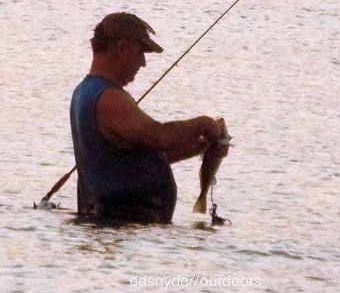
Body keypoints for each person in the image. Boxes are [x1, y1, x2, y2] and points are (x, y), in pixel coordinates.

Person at [70, 12, 225, 224]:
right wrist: (204, 124)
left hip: (118, 221)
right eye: (141, 52)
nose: (143, 63)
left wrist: (202, 147)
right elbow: (158, 136)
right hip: (123, 223)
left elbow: (141, 159)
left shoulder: (86, 92)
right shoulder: (108, 98)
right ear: (122, 48)